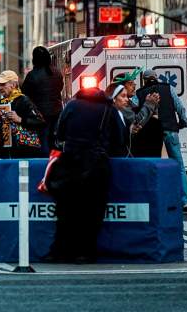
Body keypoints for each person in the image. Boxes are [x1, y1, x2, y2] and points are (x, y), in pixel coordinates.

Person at [44, 83, 122, 263]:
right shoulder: (107, 108)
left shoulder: (72, 105)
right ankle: (85, 252)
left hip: (71, 162)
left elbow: (59, 133)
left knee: (66, 210)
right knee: (92, 211)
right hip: (96, 165)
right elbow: (119, 138)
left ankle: (60, 251)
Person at [136, 70, 187, 212]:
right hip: (170, 131)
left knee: (154, 164)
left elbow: (139, 113)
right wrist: (182, 122)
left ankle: (158, 199)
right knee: (179, 166)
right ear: (156, 78)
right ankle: (185, 201)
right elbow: (180, 108)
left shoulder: (140, 93)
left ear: (144, 80)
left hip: (151, 134)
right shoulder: (168, 88)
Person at [0, 70, 46, 159]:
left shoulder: (24, 100)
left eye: (3, 84)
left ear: (13, 85)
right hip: (5, 153)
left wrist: (20, 119)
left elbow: (40, 122)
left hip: (24, 152)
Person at [21, 46, 64, 149]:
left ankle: (44, 163)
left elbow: (24, 94)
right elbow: (60, 87)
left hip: (40, 116)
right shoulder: (57, 72)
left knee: (43, 142)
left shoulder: (32, 75)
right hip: (57, 112)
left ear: (34, 59)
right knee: (54, 140)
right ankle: (54, 162)